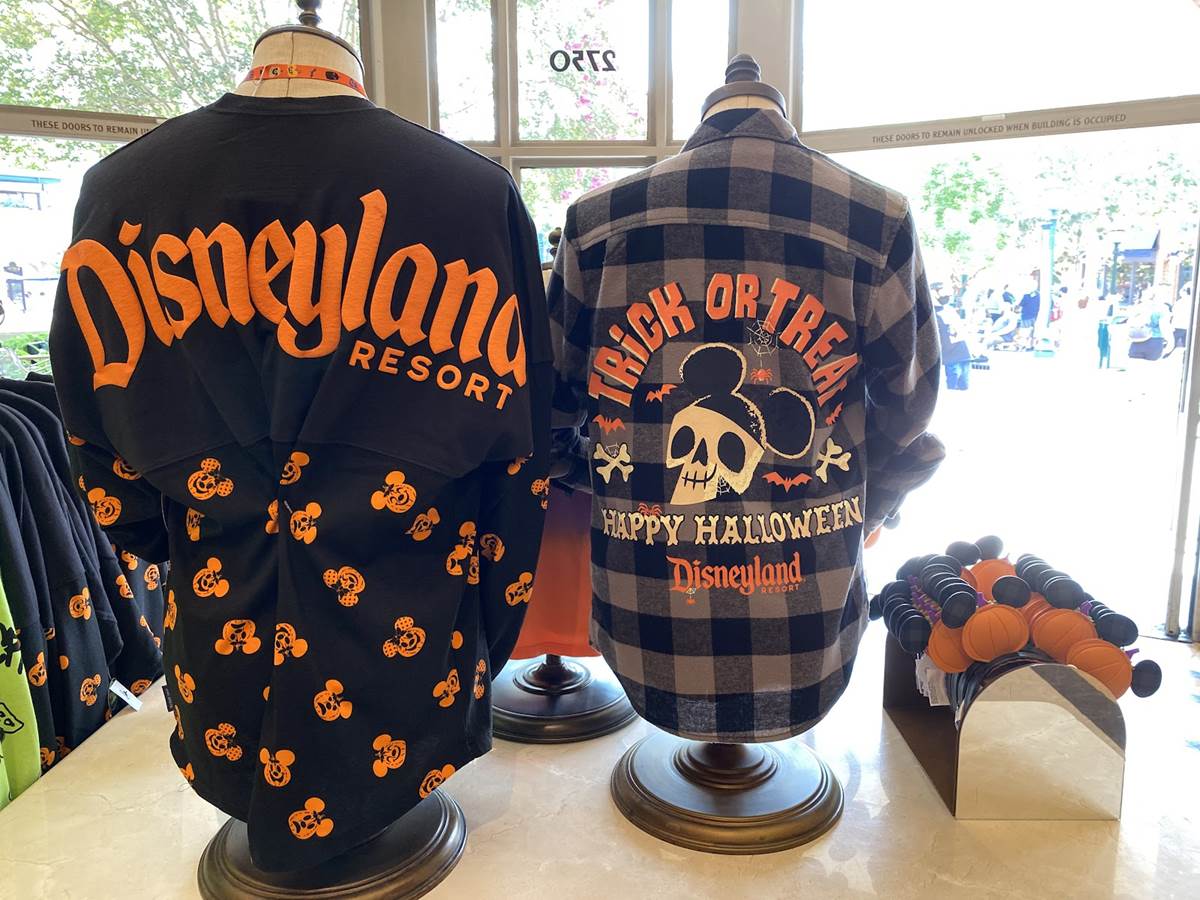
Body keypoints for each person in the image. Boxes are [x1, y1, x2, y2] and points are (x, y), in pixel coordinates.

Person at [936, 301, 972, 390]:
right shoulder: (947, 311)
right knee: (958, 384)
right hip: (957, 351)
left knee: (957, 383)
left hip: (954, 351)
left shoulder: (943, 313)